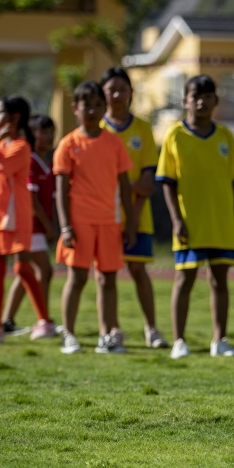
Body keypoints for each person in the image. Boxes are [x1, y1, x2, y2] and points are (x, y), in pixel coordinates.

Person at [157, 75, 234, 359]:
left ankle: (220, 340)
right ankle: (179, 341)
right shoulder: (175, 135)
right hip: (190, 224)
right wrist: (176, 220)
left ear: (215, 101)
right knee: (184, 280)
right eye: (195, 96)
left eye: (207, 96)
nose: (201, 102)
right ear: (185, 100)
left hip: (221, 223)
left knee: (220, 280)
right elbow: (167, 182)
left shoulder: (225, 137)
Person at [53, 81, 136, 355]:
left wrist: (130, 221)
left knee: (108, 279)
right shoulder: (68, 144)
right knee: (77, 278)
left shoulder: (114, 143)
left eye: (98, 104)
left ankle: (106, 335)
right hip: (79, 222)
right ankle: (69, 334)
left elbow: (124, 185)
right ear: (74, 108)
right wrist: (66, 226)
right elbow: (61, 191)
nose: (92, 110)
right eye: (86, 105)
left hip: (110, 221)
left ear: (104, 107)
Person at [100, 67, 166, 349]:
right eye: (111, 89)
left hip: (138, 216)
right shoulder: (97, 130)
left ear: (131, 92)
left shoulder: (142, 129)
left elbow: (148, 185)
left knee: (138, 270)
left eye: (122, 89)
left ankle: (152, 329)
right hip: (104, 216)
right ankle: (111, 329)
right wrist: (130, 184)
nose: (117, 95)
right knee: (105, 275)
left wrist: (133, 216)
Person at [0, 96, 54, 343]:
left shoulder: (21, 147)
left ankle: (44, 320)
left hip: (16, 216)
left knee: (23, 267)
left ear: (14, 118)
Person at [2, 113, 59, 340]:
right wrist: (49, 227)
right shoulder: (31, 161)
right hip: (31, 226)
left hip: (36, 228)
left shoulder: (46, 162)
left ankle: (6, 321)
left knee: (25, 273)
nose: (49, 136)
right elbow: (32, 201)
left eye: (51, 131)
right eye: (43, 132)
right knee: (44, 271)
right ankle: (42, 321)